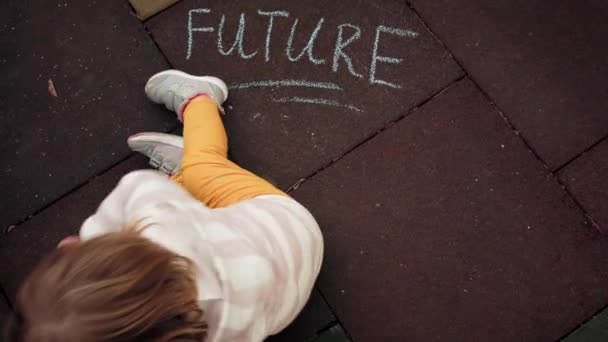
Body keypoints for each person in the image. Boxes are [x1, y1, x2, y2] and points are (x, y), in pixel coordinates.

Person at [5, 70, 324, 342]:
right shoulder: (164, 231)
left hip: (282, 308)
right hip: (283, 223)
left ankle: (182, 174)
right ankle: (199, 101)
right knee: (202, 166)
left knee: (189, 201)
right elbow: (141, 186)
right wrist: (92, 239)